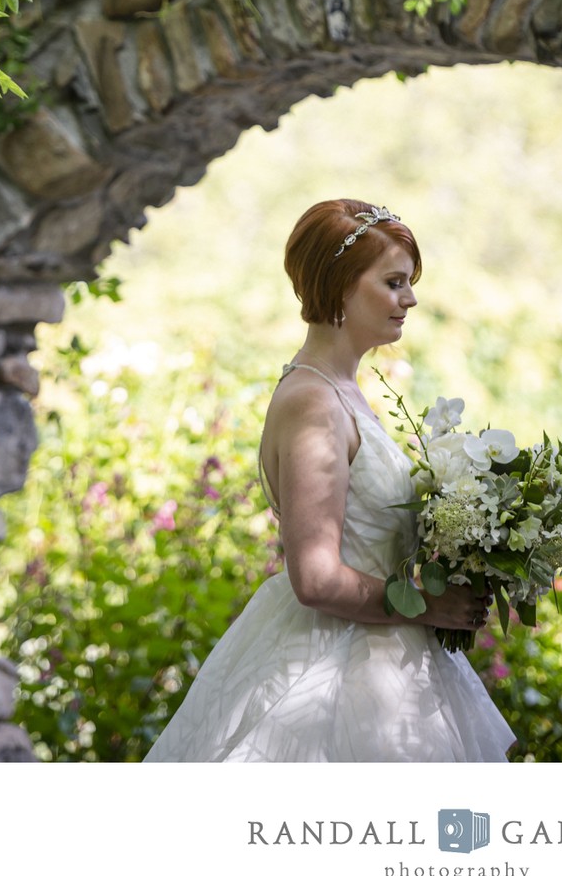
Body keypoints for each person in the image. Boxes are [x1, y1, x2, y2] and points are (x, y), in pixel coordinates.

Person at [143, 199, 515, 762]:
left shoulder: (342, 391)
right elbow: (315, 577)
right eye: (394, 282)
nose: (410, 298)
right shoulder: (313, 403)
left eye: (409, 283)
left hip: (384, 660)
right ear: (342, 284)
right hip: (334, 668)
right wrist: (426, 605)